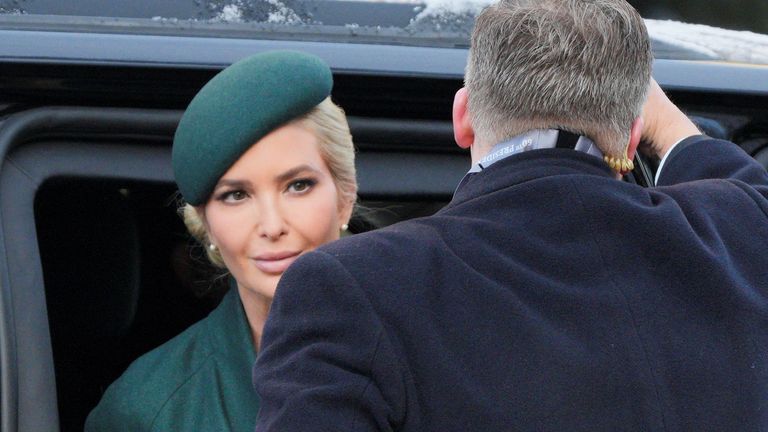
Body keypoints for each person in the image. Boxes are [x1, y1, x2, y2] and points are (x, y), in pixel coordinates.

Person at [253, 0, 768, 431]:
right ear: (634, 137)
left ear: (462, 118)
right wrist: (649, 112)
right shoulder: (740, 233)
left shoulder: (351, 289)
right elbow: (747, 188)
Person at [85, 50, 357, 431]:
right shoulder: (148, 409)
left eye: (298, 186)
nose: (272, 225)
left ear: (345, 198)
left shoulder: (433, 357)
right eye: (236, 195)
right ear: (206, 226)